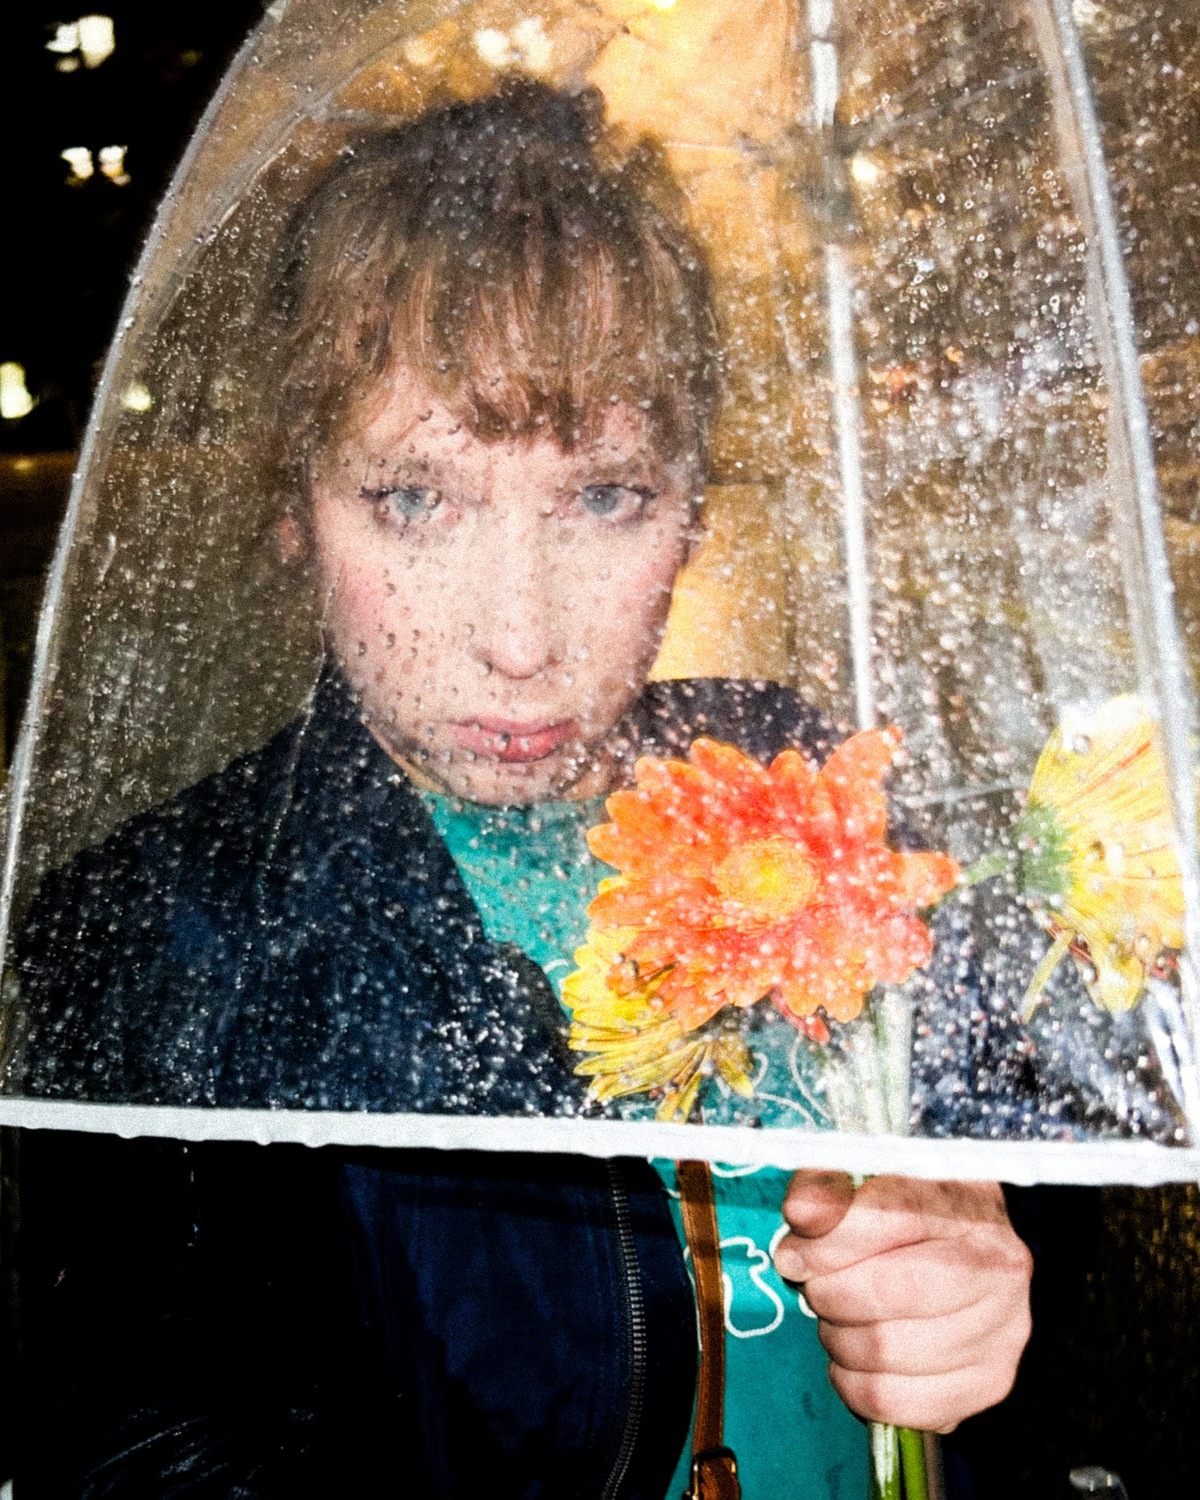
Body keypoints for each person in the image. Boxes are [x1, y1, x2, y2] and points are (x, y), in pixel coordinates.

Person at [7, 82, 1032, 1499]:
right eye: (415, 500)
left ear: (693, 503)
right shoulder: (161, 937)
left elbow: (1026, 1119)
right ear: (295, 511)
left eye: (604, 497)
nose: (521, 638)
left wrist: (983, 1267)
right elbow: (158, 1438)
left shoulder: (806, 786)